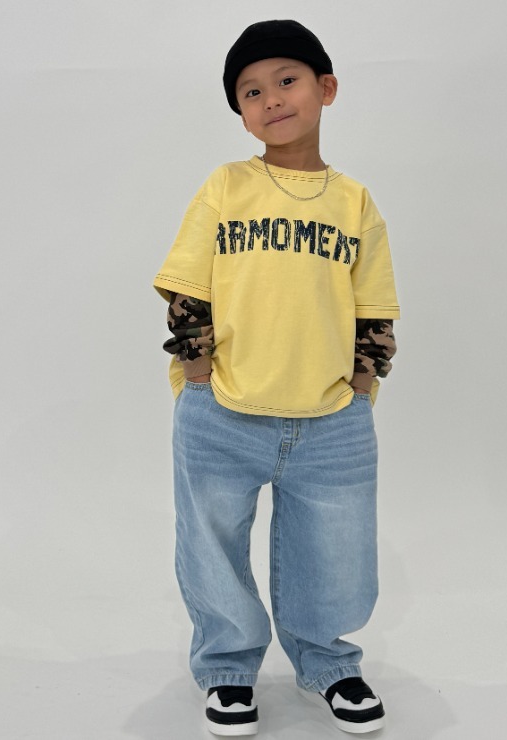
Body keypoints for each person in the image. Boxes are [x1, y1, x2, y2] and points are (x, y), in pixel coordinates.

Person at [152, 19, 400, 736]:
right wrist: (198, 372)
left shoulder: (354, 202)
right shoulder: (227, 186)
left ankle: (328, 661)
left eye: (286, 81)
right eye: (251, 92)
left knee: (339, 551)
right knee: (211, 547)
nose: (271, 100)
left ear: (326, 88)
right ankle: (229, 668)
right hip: (222, 409)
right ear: (240, 112)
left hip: (332, 418)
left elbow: (374, 307)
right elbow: (187, 287)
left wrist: (362, 387)